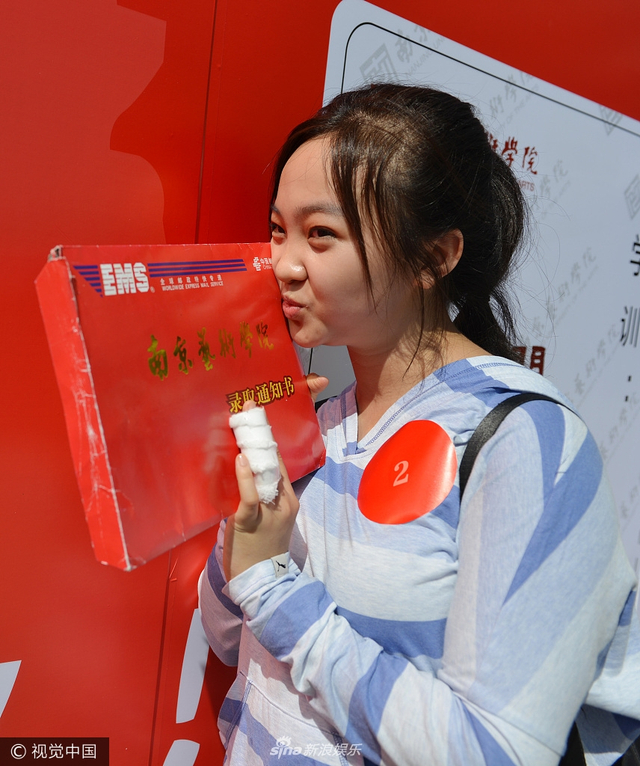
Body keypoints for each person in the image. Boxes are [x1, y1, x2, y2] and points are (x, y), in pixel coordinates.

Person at [198, 84, 640, 765]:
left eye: (321, 234)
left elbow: (493, 751)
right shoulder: (317, 426)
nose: (281, 263)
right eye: (278, 229)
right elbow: (230, 639)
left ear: (435, 258)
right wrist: (248, 536)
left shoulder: (525, 440)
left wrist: (271, 587)